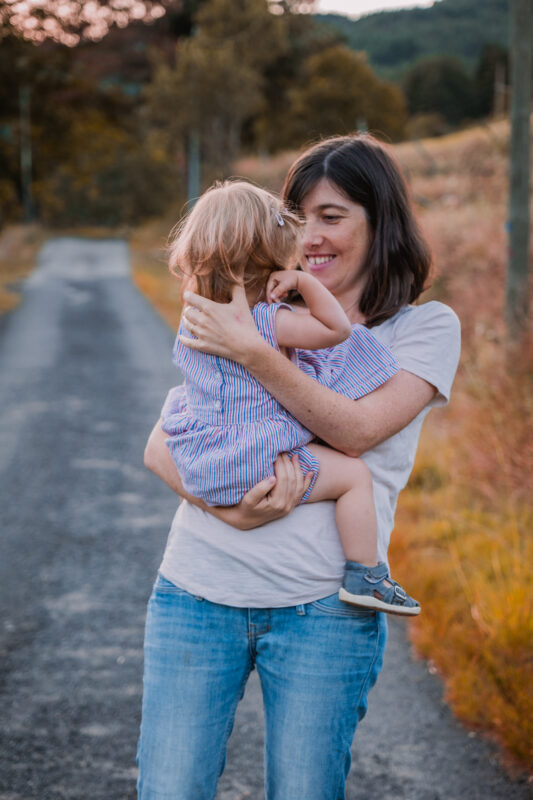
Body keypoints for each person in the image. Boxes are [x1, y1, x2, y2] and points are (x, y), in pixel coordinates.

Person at [137, 133, 461, 800]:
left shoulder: (422, 330)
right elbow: (161, 443)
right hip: (195, 593)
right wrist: (224, 506)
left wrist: (254, 351)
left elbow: (355, 431)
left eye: (332, 216)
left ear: (381, 222)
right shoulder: (249, 312)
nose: (310, 236)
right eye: (298, 217)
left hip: (323, 615)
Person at [163, 179, 419, 615]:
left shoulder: (195, 322)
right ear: (268, 260)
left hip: (206, 465)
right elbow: (336, 329)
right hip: (258, 460)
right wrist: (303, 281)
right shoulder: (268, 321)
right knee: (355, 477)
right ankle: (366, 576)